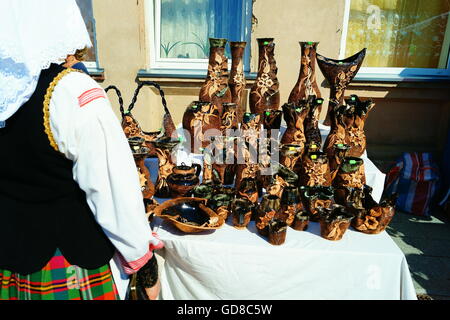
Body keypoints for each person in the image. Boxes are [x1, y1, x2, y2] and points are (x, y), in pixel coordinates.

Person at [0, 0, 162, 300]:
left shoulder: (6, 91)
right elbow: (113, 190)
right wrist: (143, 259)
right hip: (66, 263)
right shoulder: (72, 91)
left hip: (10, 263)